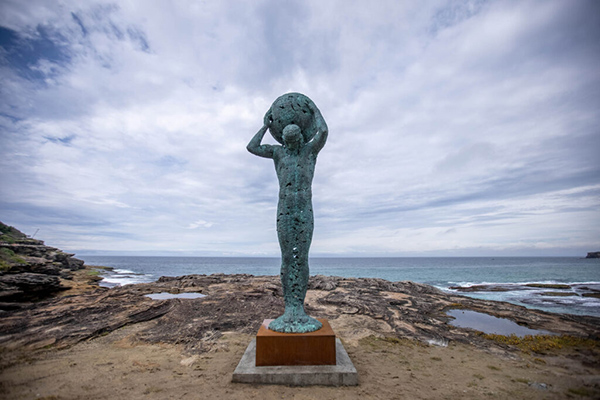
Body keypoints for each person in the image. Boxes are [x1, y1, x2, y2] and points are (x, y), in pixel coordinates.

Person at [247, 100, 328, 333]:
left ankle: (299, 309)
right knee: (287, 259)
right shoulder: (278, 152)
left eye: (296, 139)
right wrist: (265, 125)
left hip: (304, 210)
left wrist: (313, 109)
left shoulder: (309, 151)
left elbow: (323, 131)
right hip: (284, 210)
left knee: (301, 258)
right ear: (284, 140)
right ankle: (289, 308)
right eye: (288, 141)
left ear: (301, 137)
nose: (293, 144)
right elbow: (252, 147)